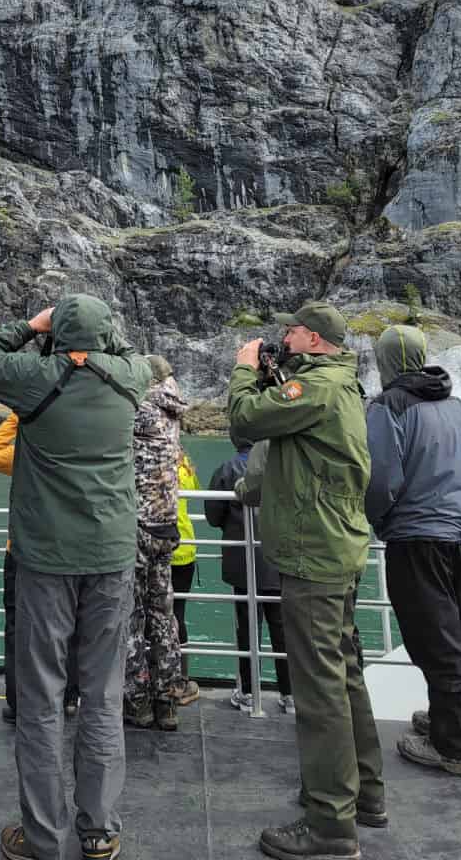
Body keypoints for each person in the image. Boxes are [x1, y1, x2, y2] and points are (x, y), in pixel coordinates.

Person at [0, 295, 152, 860]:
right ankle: (98, 830)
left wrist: (33, 326)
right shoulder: (132, 377)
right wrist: (96, 337)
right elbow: (123, 351)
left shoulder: (35, 378)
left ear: (57, 335)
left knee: (42, 698)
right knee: (101, 694)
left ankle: (43, 836)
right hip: (112, 555)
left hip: (45, 559)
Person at [227, 301, 385, 860]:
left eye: (292, 331)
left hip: (313, 553)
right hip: (335, 546)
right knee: (343, 676)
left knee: (319, 692)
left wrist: (246, 368)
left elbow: (246, 420)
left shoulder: (315, 390)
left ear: (315, 340)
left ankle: (331, 827)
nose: (284, 338)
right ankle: (365, 794)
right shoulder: (334, 385)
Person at [365, 325, 461, 778]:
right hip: (460, 535)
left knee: (434, 640)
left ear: (386, 361)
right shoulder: (455, 404)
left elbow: (382, 479)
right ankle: (445, 719)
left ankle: (454, 748)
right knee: (458, 634)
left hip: (415, 537)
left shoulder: (388, 405)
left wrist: (379, 521)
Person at [0, 412, 79, 725]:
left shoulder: (25, 454)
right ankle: (67, 697)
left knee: (18, 628)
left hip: (23, 551)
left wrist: (15, 416)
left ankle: (19, 702)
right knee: (69, 626)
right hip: (68, 550)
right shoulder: (78, 452)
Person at [123, 355, 187, 731]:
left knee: (132, 615)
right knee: (163, 615)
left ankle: (138, 700)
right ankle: (168, 699)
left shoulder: (141, 409)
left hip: (138, 527)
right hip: (167, 524)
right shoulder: (172, 408)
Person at [206, 446, 292, 713]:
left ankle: (246, 692)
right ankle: (289, 693)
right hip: (280, 558)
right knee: (283, 629)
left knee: (247, 629)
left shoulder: (227, 469)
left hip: (243, 561)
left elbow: (212, 515)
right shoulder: (285, 463)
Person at [170, 449, 200, 706]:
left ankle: (154, 674)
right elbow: (195, 488)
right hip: (186, 548)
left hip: (159, 547)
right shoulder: (185, 464)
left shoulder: (150, 459)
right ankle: (182, 678)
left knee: (153, 614)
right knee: (178, 613)